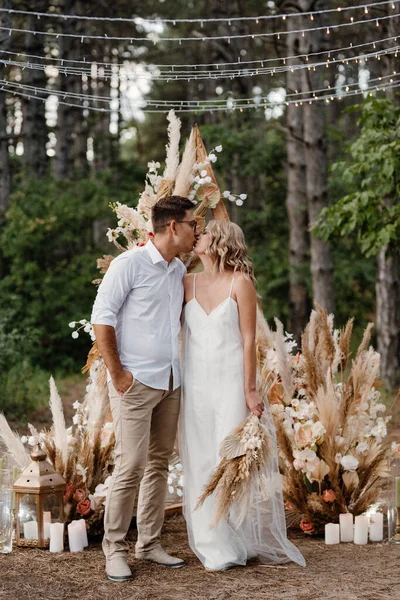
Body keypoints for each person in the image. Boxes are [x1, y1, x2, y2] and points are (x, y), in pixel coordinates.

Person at [179, 220, 305, 571]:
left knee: (228, 457)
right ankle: (212, 543)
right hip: (195, 384)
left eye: (203, 233)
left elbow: (249, 341)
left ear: (218, 241)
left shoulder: (241, 283)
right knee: (199, 458)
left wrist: (250, 390)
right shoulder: (186, 281)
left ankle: (231, 533)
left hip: (231, 383)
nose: (197, 236)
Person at [91, 195, 198, 582]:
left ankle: (149, 543)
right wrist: (118, 373)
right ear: (173, 226)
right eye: (192, 224)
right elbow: (101, 318)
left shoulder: (177, 269)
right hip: (135, 383)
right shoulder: (129, 265)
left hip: (171, 380)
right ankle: (114, 548)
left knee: (158, 464)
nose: (196, 231)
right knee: (130, 464)